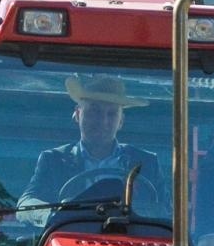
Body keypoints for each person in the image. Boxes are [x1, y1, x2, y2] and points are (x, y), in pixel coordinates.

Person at [17, 74, 160, 224]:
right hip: (69, 241)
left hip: (130, 242)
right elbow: (25, 204)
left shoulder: (146, 163)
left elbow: (165, 211)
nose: (102, 121)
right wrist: (54, 214)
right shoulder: (53, 160)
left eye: (111, 114)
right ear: (78, 114)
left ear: (121, 121)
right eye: (94, 111)